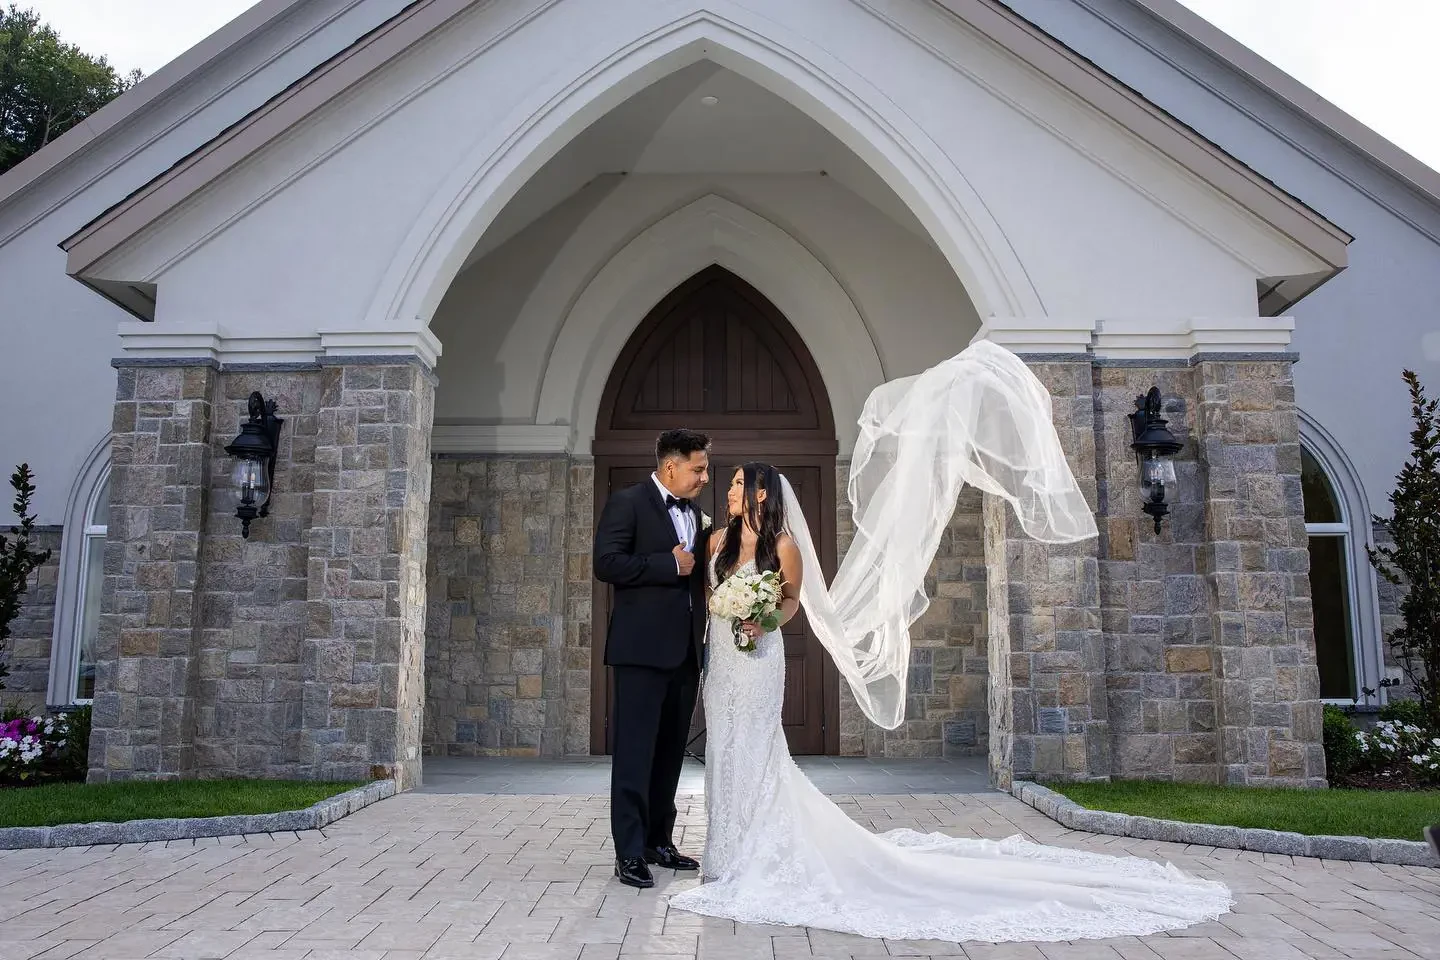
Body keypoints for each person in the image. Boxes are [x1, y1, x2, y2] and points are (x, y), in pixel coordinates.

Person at [663, 340, 1235, 943]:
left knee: (755, 751)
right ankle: (724, 858)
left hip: (760, 661)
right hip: (722, 664)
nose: (724, 490)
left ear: (759, 494)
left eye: (735, 486)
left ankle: (758, 856)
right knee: (723, 752)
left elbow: (790, 602)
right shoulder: (718, 540)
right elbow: (704, 592)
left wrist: (760, 620)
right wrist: (722, 607)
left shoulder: (784, 547)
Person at [593, 428, 711, 889]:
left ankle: (660, 841)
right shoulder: (629, 502)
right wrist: (667, 564)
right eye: (698, 469)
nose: (704, 477)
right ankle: (629, 853)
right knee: (635, 754)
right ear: (670, 466)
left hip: (685, 652)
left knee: (669, 756)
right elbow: (606, 563)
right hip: (640, 652)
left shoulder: (697, 515)